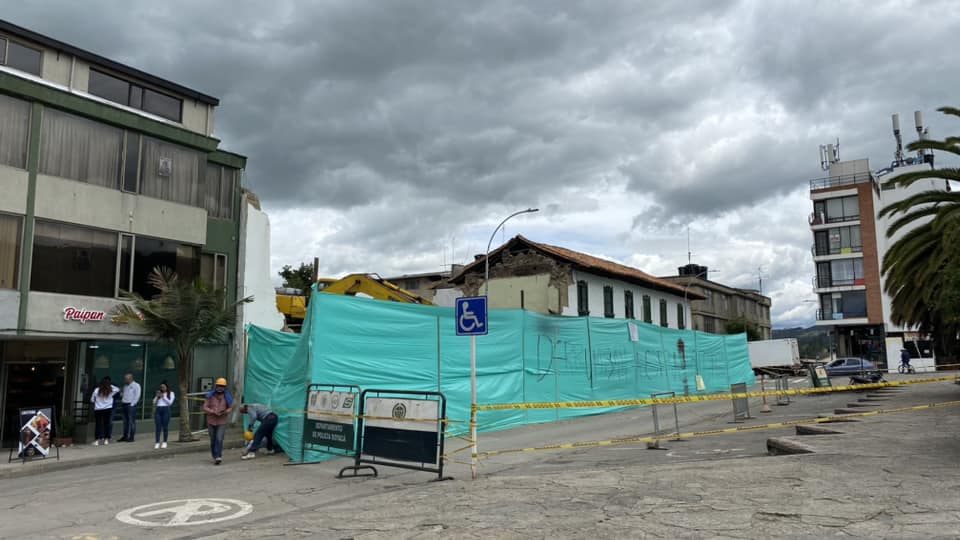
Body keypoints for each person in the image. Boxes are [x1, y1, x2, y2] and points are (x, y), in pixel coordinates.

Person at [202, 377, 233, 465]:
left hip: (222, 421)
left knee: (219, 438)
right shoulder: (210, 396)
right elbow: (205, 407)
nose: (220, 388)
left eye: (222, 386)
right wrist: (213, 412)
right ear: (216, 386)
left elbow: (230, 407)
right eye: (219, 386)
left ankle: (218, 456)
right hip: (211, 420)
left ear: (225, 387)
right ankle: (214, 455)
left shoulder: (227, 396)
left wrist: (224, 412)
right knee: (213, 439)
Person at [90, 377, 119, 446]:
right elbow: (118, 389)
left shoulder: (97, 390)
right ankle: (106, 439)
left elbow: (92, 400)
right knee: (107, 424)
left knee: (98, 425)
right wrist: (109, 385)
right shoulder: (110, 390)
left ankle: (97, 440)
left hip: (98, 409)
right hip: (107, 409)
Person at [118, 373, 142, 442]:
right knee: (125, 422)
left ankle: (131, 437)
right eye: (125, 379)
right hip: (124, 404)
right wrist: (121, 393)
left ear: (131, 378)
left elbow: (137, 396)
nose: (125, 380)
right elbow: (123, 395)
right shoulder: (125, 386)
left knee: (131, 422)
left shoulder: (136, 385)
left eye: (126, 379)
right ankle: (125, 436)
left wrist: (132, 404)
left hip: (130, 405)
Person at [153, 381, 175, 449]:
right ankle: (157, 442)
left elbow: (170, 403)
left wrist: (163, 397)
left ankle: (164, 442)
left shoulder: (171, 393)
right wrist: (157, 397)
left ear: (167, 387)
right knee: (158, 427)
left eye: (163, 387)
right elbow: (154, 402)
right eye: (161, 387)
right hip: (158, 410)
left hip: (166, 410)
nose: (162, 388)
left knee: (165, 427)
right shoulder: (159, 393)